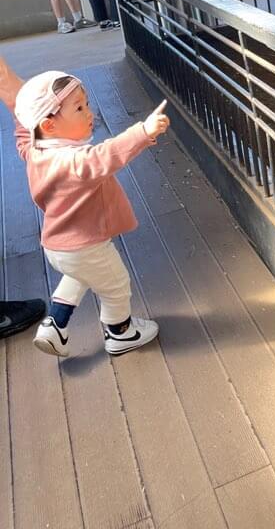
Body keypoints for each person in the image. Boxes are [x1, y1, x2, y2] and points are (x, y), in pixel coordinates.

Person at [0, 53, 169, 358]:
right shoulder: (74, 161)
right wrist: (143, 132)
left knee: (80, 276)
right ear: (49, 126)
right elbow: (106, 156)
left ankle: (56, 325)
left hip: (59, 246)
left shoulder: (35, 149)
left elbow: (25, 132)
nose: (89, 112)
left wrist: (23, 111)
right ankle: (121, 333)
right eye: (79, 108)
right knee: (115, 284)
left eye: (86, 103)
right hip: (86, 245)